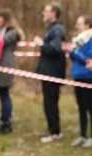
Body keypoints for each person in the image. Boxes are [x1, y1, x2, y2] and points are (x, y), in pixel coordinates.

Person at [34, 3, 66, 144]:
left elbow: (55, 49)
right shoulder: (52, 28)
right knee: (48, 103)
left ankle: (55, 133)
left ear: (53, 13)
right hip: (48, 71)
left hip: (53, 72)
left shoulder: (57, 29)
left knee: (51, 102)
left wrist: (41, 44)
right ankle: (52, 129)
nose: (43, 13)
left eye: (46, 11)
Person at [65, 16, 92, 148]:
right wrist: (70, 52)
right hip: (78, 75)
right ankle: (82, 135)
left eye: (79, 24)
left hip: (88, 76)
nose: (76, 26)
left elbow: (88, 59)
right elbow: (74, 56)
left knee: (90, 107)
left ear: (87, 25)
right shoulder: (78, 39)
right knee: (81, 107)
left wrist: (74, 53)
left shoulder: (90, 39)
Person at [0, 10, 23, 134]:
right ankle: (4, 118)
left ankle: (6, 121)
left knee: (4, 92)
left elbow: (1, 41)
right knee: (2, 93)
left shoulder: (12, 32)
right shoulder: (1, 30)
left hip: (6, 64)